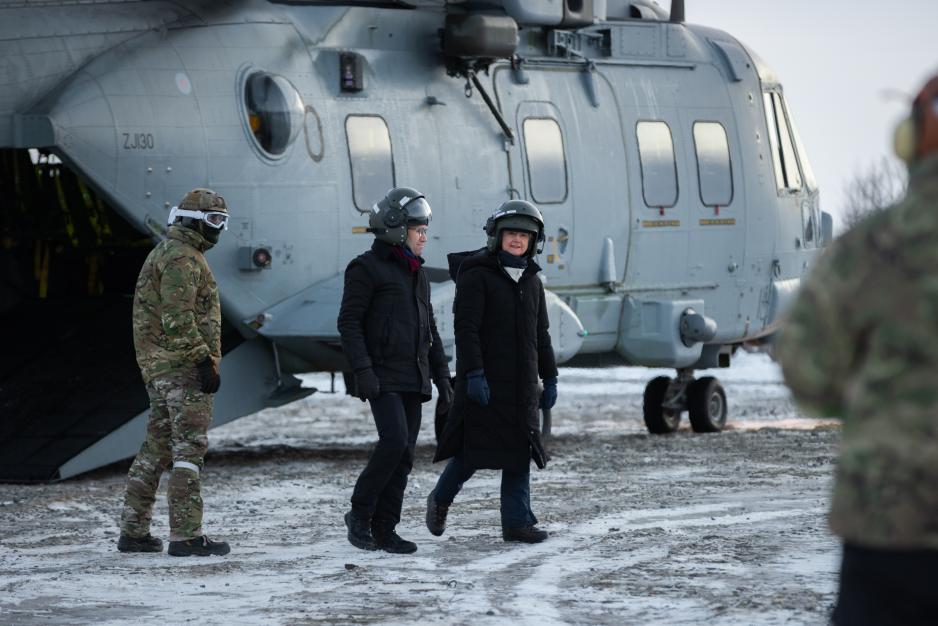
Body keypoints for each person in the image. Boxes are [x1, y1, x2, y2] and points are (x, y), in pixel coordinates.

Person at [776, 74, 938, 625]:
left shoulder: (869, 247)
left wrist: (873, 409)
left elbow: (806, 368)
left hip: (887, 521)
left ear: (910, 141)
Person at [426, 199, 558, 543]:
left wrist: (551, 376)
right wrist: (474, 374)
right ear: (496, 237)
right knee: (473, 453)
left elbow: (540, 334)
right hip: (486, 381)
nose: (517, 240)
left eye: (524, 235)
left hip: (522, 385)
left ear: (533, 242)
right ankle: (439, 499)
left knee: (519, 453)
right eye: (511, 233)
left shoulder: (532, 282)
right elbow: (466, 329)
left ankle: (516, 523)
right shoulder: (476, 276)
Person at [337, 186, 453, 554]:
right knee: (393, 442)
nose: (424, 237)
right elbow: (349, 323)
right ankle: (359, 513)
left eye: (424, 230)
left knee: (404, 454)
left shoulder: (416, 273)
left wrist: (443, 376)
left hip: (413, 374)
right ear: (396, 229)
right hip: (381, 373)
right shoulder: (364, 269)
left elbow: (429, 328)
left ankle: (385, 528)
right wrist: (363, 370)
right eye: (419, 230)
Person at [117, 188, 231, 557]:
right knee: (188, 450)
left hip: (160, 366)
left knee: (157, 447)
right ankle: (186, 535)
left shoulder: (169, 252)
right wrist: (202, 361)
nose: (219, 230)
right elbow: (178, 318)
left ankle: (133, 532)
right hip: (182, 369)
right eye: (214, 221)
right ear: (192, 220)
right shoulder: (183, 258)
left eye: (223, 222)